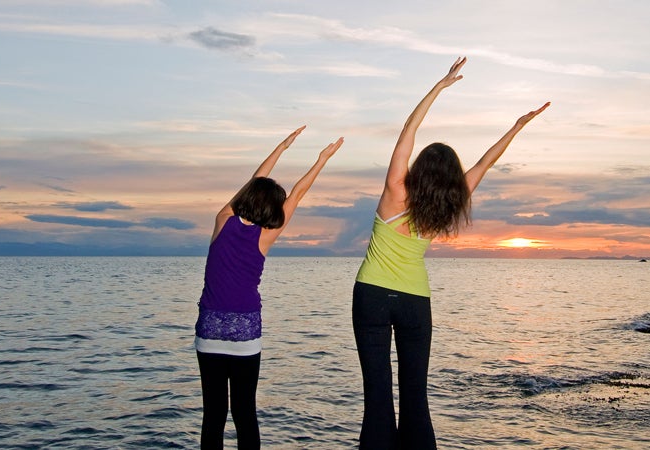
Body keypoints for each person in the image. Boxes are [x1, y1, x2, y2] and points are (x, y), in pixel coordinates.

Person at [352, 57, 549, 449]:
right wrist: (517, 127)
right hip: (414, 302)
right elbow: (485, 163)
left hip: (371, 295)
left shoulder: (395, 190)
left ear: (420, 168)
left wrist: (439, 87)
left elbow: (408, 130)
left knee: (377, 401)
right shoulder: (446, 205)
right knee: (416, 400)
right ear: (449, 180)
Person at [194, 126, 344, 450]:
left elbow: (253, 181)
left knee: (214, 415)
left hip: (210, 328)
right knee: (245, 413)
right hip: (245, 330)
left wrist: (282, 147)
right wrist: (322, 160)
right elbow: (298, 193)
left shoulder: (223, 220)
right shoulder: (265, 236)